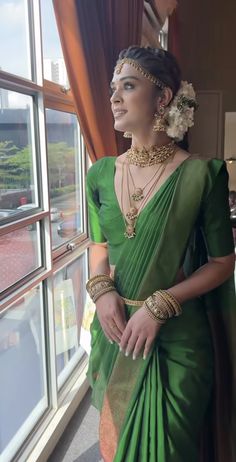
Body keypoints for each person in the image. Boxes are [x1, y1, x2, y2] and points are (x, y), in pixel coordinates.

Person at [85, 46, 235, 462]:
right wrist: (101, 290)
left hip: (177, 341)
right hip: (114, 336)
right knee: (114, 443)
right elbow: (99, 246)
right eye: (112, 88)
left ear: (163, 97)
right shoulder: (99, 173)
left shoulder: (203, 175)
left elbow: (224, 262)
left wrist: (161, 304)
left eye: (127, 86)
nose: (113, 98)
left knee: (171, 448)